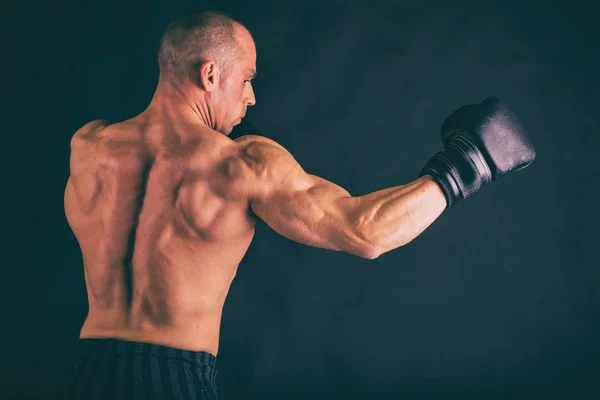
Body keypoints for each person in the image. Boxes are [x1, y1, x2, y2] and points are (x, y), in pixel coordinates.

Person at [61, 7, 536, 400]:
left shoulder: (89, 147)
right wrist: (466, 163)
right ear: (210, 74)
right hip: (174, 378)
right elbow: (363, 231)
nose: (250, 96)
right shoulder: (240, 163)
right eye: (246, 78)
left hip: (86, 372)